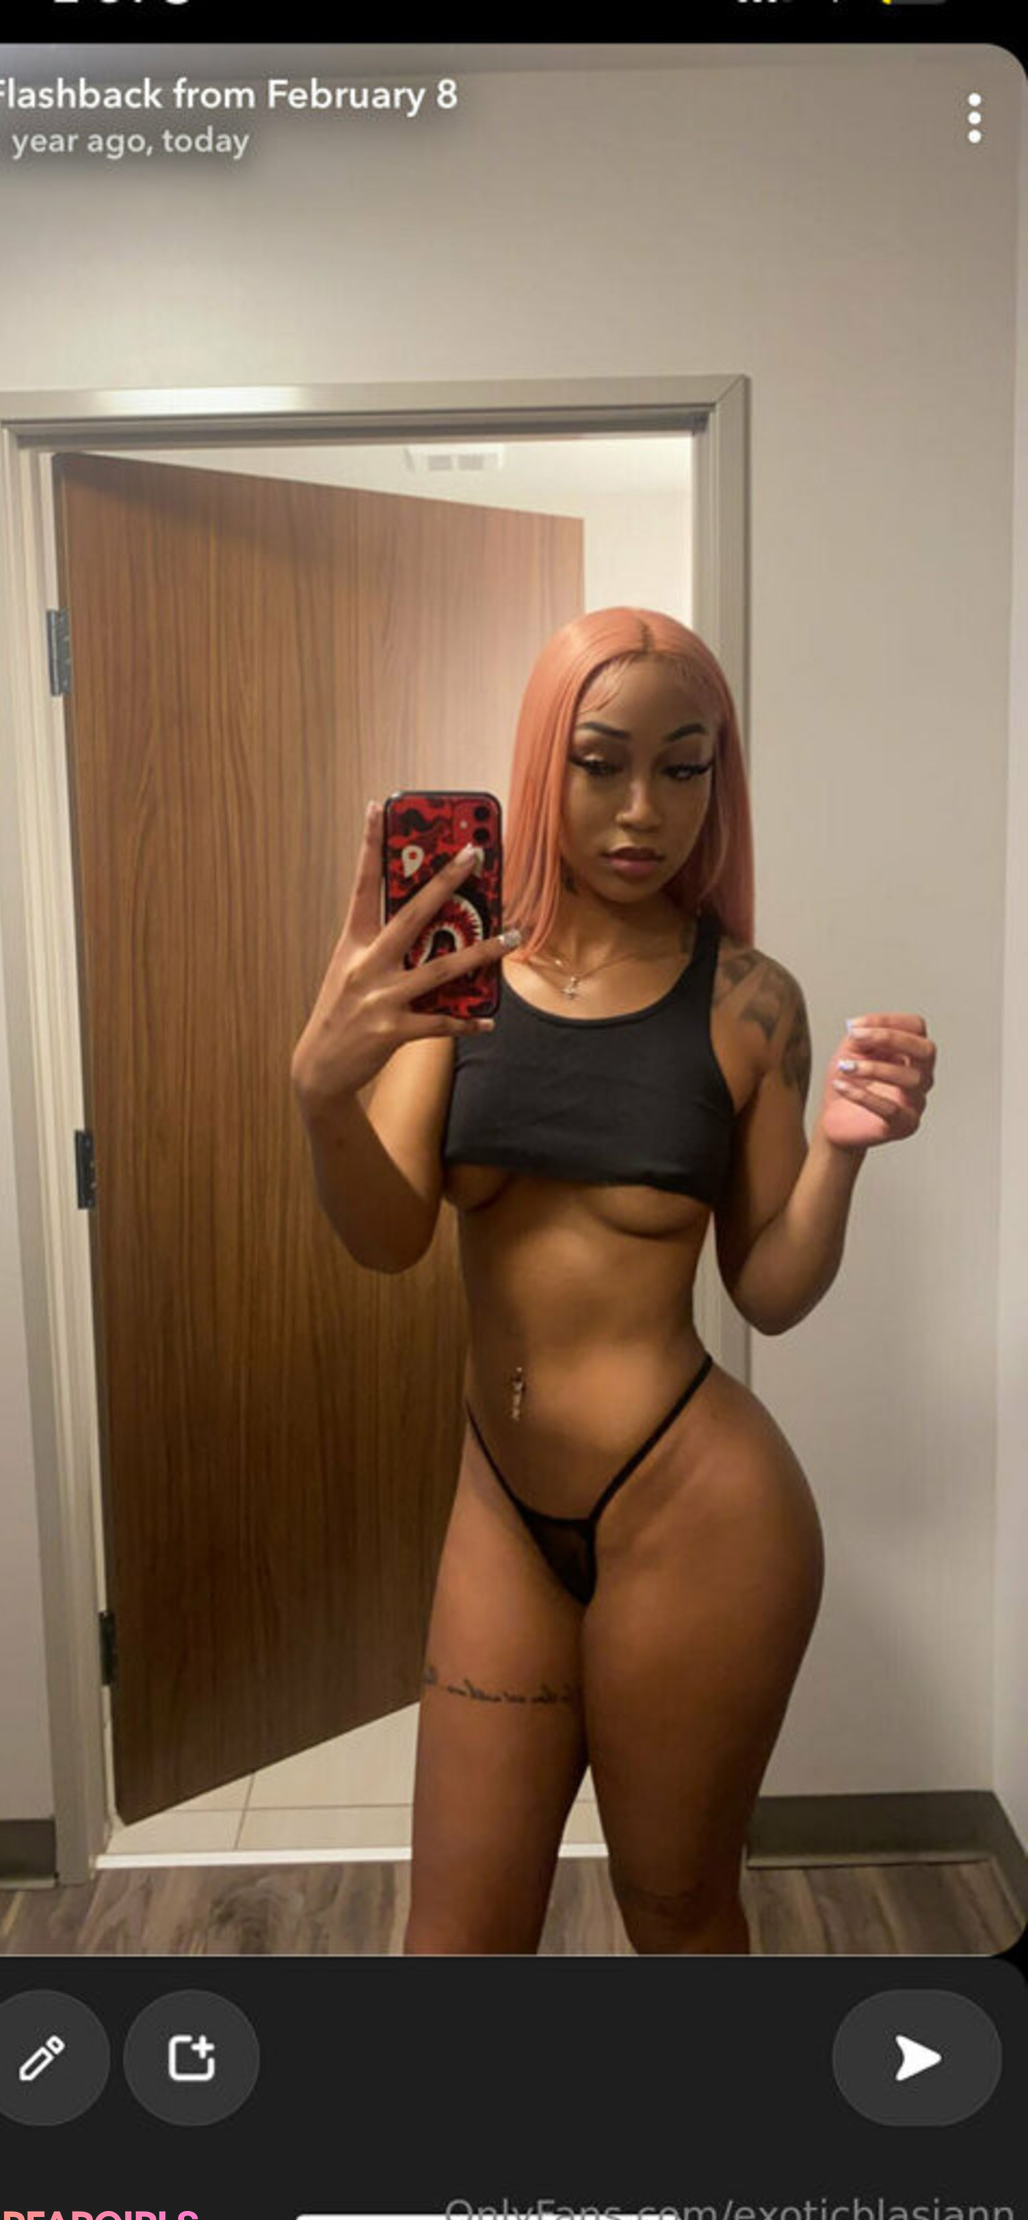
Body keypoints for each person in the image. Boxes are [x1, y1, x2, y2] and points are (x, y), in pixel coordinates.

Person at [291, 607, 935, 1956]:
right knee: (454, 1942)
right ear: (544, 765)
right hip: (501, 1507)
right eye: (601, 763)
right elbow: (388, 1236)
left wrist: (841, 1156)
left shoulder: (749, 1001)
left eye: (684, 768)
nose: (645, 810)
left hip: (697, 1511)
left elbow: (769, 1292)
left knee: (678, 1916)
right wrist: (322, 1094)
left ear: (717, 781)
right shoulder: (455, 977)